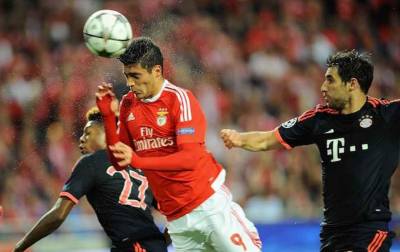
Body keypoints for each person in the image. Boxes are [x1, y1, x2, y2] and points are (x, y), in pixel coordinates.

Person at [220, 50, 398, 251]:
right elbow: (267, 139)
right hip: (332, 233)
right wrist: (239, 138)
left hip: (370, 230)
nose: (323, 88)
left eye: (330, 80)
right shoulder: (318, 119)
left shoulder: (386, 117)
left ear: (352, 84)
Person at [95, 37, 262, 252]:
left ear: (156, 71)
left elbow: (189, 159)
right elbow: (119, 162)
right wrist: (109, 117)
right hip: (177, 220)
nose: (130, 83)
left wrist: (137, 160)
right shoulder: (128, 104)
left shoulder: (180, 100)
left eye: (136, 76)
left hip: (208, 207)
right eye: (127, 76)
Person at [14, 107, 168, 252]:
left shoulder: (91, 162)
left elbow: (59, 214)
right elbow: (177, 216)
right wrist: (160, 243)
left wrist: (19, 247)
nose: (81, 139)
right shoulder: (139, 167)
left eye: (88, 133)